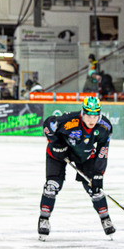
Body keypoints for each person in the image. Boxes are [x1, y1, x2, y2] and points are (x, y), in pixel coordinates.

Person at [39, 96, 115, 240]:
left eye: (95, 115)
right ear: (82, 113)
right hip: (58, 155)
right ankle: (44, 219)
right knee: (52, 186)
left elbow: (102, 151)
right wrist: (56, 143)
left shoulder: (104, 127)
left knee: (95, 188)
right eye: (88, 115)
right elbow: (48, 125)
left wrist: (98, 173)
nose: (92, 120)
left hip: (84, 155)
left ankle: (105, 219)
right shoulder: (69, 121)